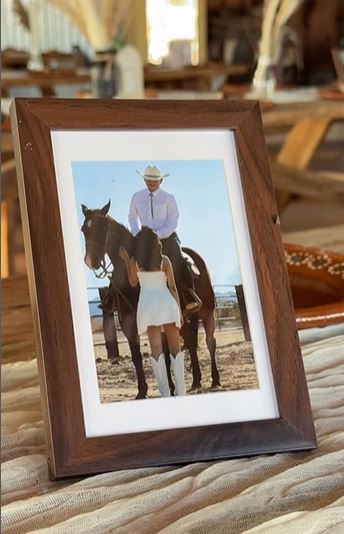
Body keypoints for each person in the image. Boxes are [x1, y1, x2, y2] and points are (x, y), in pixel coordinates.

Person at [119, 227, 185, 397]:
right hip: (166, 303)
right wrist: (178, 310)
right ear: (156, 245)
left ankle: (165, 394)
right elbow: (173, 288)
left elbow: (133, 283)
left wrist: (127, 260)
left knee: (156, 351)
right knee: (175, 349)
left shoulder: (135, 263)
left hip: (148, 307)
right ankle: (181, 391)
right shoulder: (165, 261)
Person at [128, 164, 201, 314]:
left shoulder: (169, 198)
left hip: (167, 237)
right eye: (148, 180)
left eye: (155, 180)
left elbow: (173, 221)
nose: (151, 183)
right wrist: (138, 235)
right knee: (128, 259)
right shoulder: (136, 197)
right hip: (144, 239)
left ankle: (188, 295)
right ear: (144, 180)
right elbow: (132, 218)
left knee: (178, 258)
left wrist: (158, 235)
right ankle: (120, 299)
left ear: (161, 181)